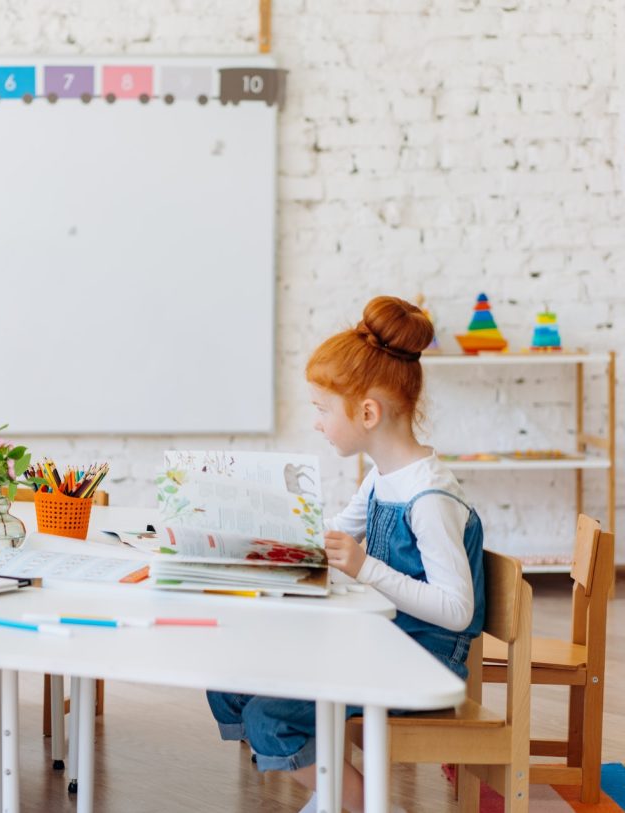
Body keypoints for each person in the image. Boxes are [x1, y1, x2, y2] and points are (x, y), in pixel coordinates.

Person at [206, 295, 486, 813]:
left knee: (271, 714)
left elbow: (457, 610)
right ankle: (334, 791)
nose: (316, 422)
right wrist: (255, 528)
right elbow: (336, 529)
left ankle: (358, 805)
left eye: (320, 409)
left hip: (420, 660)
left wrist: (365, 567)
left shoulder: (429, 499)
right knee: (230, 681)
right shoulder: (384, 475)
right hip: (381, 640)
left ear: (367, 412)